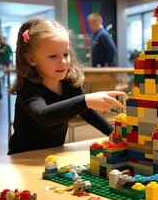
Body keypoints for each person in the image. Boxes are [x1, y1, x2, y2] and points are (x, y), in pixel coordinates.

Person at [8, 19, 125, 155]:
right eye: (53, 56)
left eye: (66, 54)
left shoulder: (68, 84)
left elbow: (85, 111)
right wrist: (85, 100)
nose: (63, 62)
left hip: (53, 154)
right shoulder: (28, 90)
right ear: (31, 59)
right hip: (22, 158)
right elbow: (44, 116)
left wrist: (111, 133)